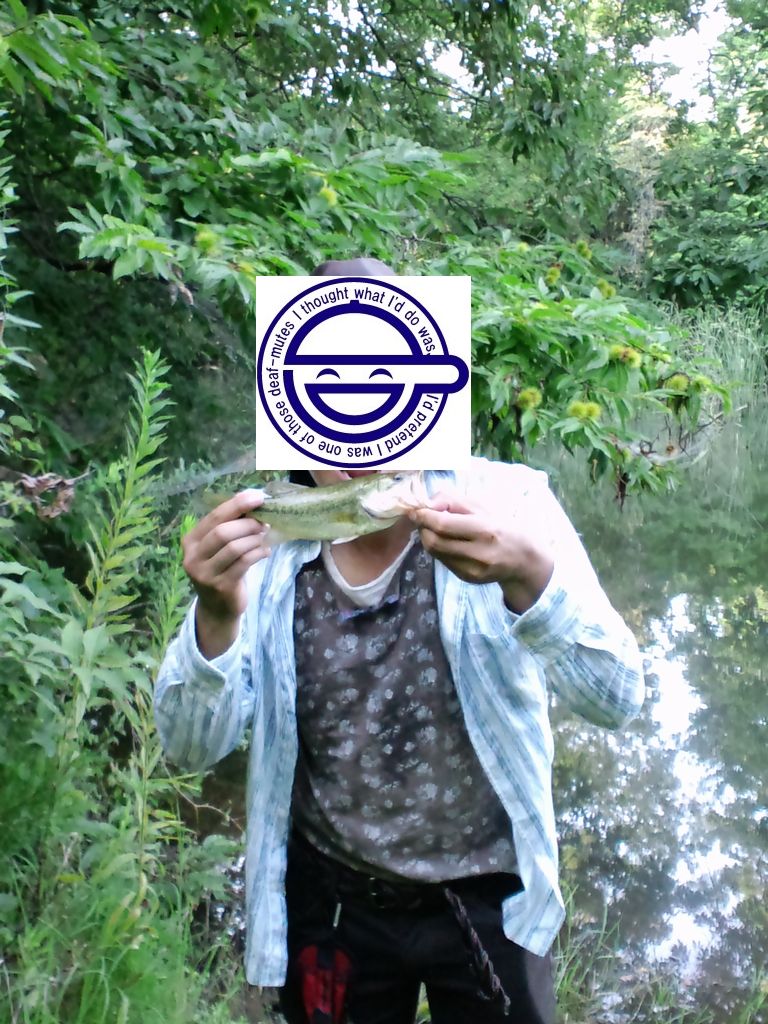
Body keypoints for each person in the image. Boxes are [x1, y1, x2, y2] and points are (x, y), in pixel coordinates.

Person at [154, 258, 645, 1024]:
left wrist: (531, 578)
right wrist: (216, 615)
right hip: (333, 902)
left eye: (383, 378)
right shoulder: (265, 543)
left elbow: (619, 699)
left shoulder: (510, 502)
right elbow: (188, 748)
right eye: (328, 382)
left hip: (492, 897)